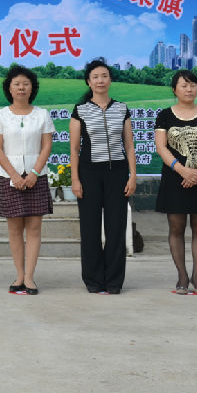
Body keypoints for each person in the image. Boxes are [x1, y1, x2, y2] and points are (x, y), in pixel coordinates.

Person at [69, 58, 137, 294]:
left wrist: (132, 176)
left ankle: (114, 281)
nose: (100, 80)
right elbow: (74, 149)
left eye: (104, 76)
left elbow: (129, 145)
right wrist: (75, 180)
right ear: (88, 82)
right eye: (95, 77)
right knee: (90, 229)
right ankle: (94, 280)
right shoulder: (80, 110)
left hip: (117, 173)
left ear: (110, 80)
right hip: (89, 173)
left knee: (116, 228)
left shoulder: (121, 108)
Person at [154, 70, 197, 295]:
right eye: (184, 86)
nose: (189, 89)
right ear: (175, 90)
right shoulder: (165, 115)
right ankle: (182, 276)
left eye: (192, 85)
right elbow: (161, 147)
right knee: (176, 227)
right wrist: (183, 170)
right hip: (175, 177)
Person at [0, 65, 54, 295]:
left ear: (32, 88)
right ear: (9, 88)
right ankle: (19, 275)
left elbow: (46, 146)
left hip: (37, 176)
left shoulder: (42, 114)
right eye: (16, 84)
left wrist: (34, 172)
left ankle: (29, 277)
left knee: (34, 228)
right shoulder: (0, 115)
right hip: (10, 177)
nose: (21, 88)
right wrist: (14, 175)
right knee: (15, 228)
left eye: (26, 84)